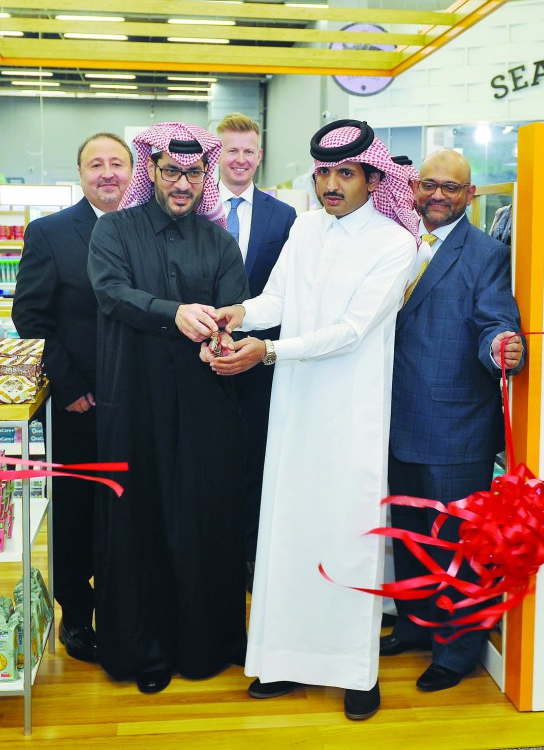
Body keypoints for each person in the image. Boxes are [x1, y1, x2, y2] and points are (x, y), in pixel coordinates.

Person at [206, 119, 418, 721]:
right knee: (288, 535)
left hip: (349, 415)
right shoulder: (305, 228)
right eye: (324, 172)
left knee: (347, 541)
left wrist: (269, 351)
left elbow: (352, 332)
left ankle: (355, 673)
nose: (331, 184)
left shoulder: (394, 243)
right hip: (295, 408)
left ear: (373, 178)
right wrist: (237, 314)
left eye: (345, 173)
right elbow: (279, 301)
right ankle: (281, 661)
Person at [86, 122, 249, 694]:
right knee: (141, 522)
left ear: (206, 176)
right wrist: (172, 312)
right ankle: (145, 650)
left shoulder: (219, 240)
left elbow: (235, 301)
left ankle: (209, 643)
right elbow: (112, 293)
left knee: (205, 520)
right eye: (171, 171)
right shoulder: (114, 233)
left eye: (193, 173)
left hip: (207, 404)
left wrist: (224, 327)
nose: (183, 183)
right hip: (137, 404)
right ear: (151, 172)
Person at [379, 149, 524, 692]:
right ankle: (417, 626)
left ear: (470, 196)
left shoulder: (485, 254)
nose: (438, 196)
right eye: (430, 185)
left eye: (452, 189)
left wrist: (502, 348)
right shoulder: (398, 245)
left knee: (459, 549)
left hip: (455, 430)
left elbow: (495, 322)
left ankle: (457, 650)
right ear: (414, 188)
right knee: (412, 538)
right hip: (395, 424)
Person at [12, 131, 133, 664]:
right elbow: (31, 318)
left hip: (139, 400)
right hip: (81, 403)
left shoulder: (149, 229)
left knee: (129, 509)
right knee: (78, 512)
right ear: (80, 173)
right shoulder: (51, 233)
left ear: (135, 172)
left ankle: (125, 608)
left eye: (118, 164)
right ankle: (77, 616)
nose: (107, 173)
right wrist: (69, 386)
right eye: (95, 164)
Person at [214, 113, 298, 590]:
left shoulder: (283, 216)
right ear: (217, 155)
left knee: (256, 460)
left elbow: (284, 292)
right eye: (232, 150)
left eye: (249, 151)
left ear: (259, 156)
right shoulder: (197, 209)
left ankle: (250, 556)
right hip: (202, 357)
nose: (241, 159)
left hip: (261, 362)